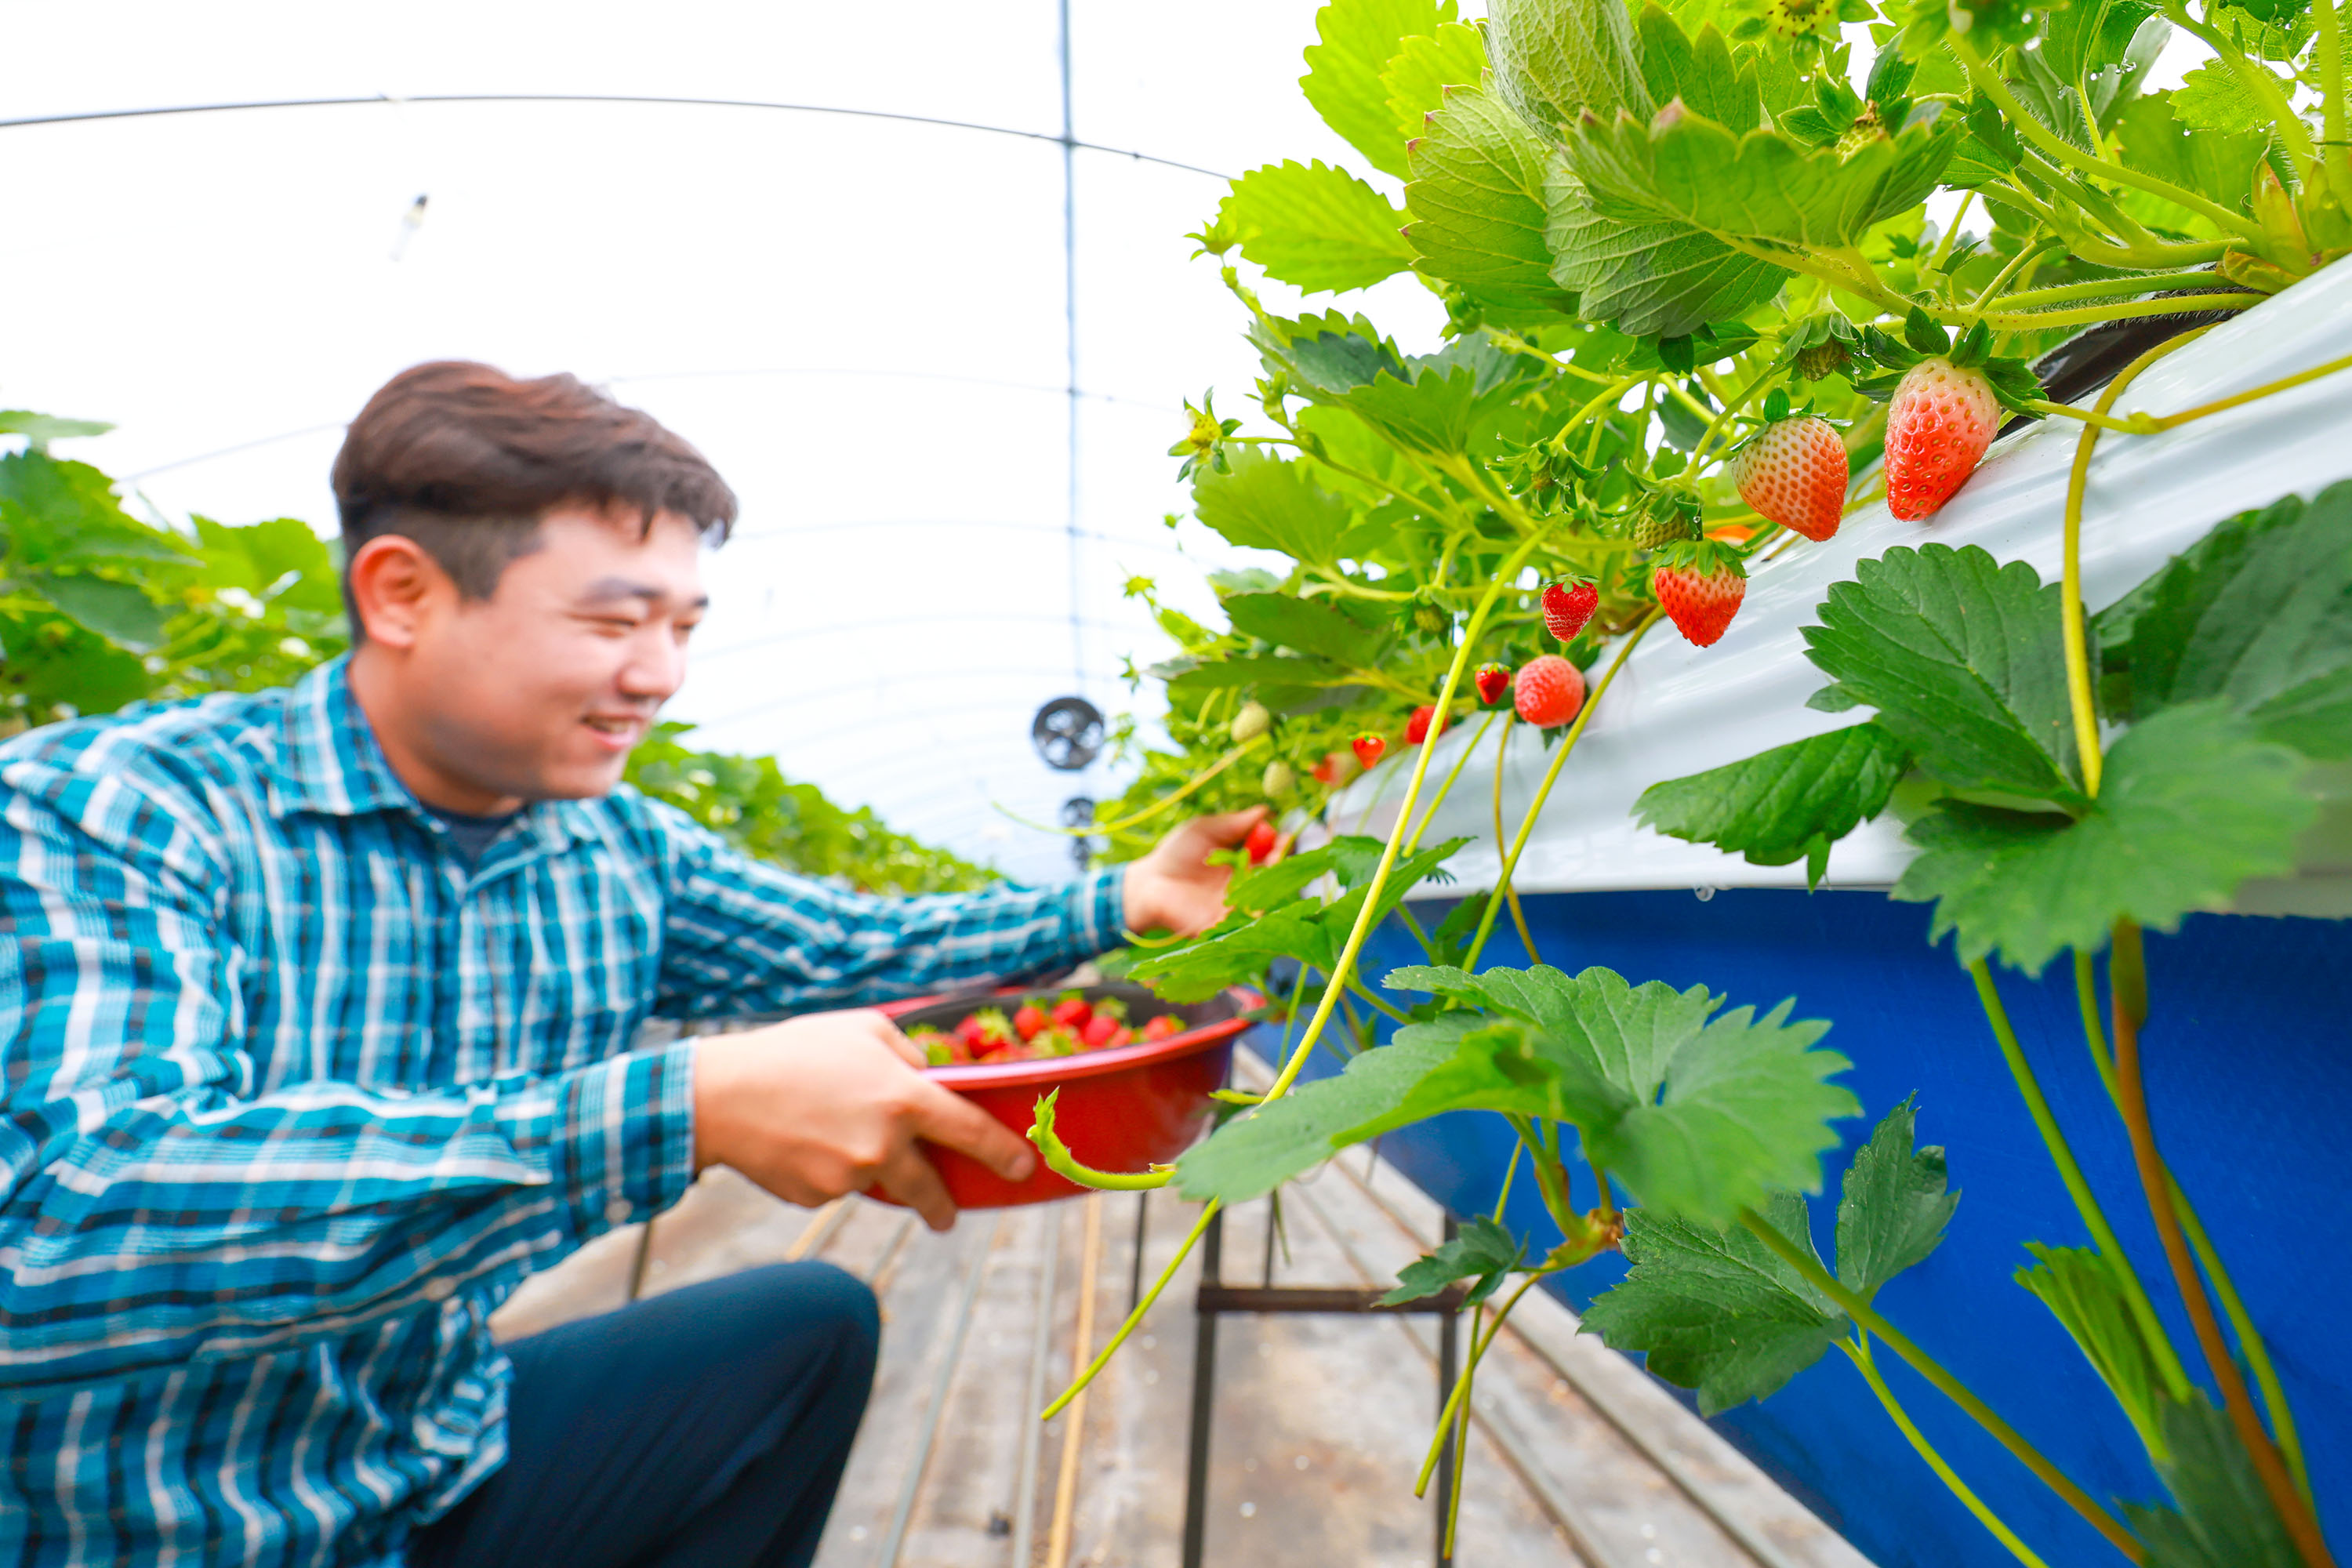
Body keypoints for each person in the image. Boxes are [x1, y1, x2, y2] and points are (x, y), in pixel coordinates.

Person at [0, 361, 1265, 1567]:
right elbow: (62, 1223)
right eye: (613, 621)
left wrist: (1125, 896)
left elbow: (850, 948)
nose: (656, 676)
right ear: (400, 594)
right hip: (144, 1528)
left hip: (420, 1464)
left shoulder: (611, 848)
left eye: (684, 626)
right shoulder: (120, 811)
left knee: (804, 1331)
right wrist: (683, 1106)